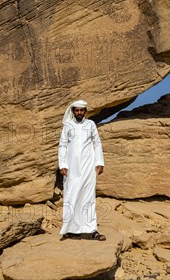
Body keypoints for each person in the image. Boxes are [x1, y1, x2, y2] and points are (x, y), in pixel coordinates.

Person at [58, 99, 106, 241]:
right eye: (77, 110)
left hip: (88, 167)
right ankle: (70, 229)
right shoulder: (67, 126)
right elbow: (63, 146)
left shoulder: (90, 125)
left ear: (85, 111)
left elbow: (97, 143)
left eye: (81, 110)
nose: (79, 112)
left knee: (88, 197)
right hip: (71, 168)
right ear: (73, 111)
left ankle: (91, 230)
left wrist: (100, 162)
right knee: (71, 196)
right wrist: (63, 165)